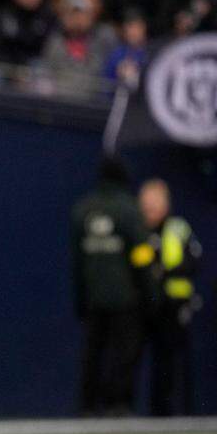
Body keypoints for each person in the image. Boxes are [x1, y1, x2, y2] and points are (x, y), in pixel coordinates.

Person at [70, 156, 156, 416]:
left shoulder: (83, 210)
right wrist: (150, 291)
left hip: (94, 295)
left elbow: (77, 260)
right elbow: (141, 254)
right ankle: (118, 404)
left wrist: (81, 297)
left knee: (94, 351)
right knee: (124, 352)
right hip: (126, 296)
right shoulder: (129, 209)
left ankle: (88, 404)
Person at [139, 178, 201, 416]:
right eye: (146, 205)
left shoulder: (178, 228)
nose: (150, 210)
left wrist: (166, 270)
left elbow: (194, 261)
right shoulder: (140, 230)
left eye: (154, 205)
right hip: (147, 305)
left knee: (170, 360)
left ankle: (171, 411)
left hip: (174, 305)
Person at [0, 0, 55, 65]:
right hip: (6, 62)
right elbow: (3, 43)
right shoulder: (5, 14)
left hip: (34, 63)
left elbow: (45, 45)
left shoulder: (47, 16)